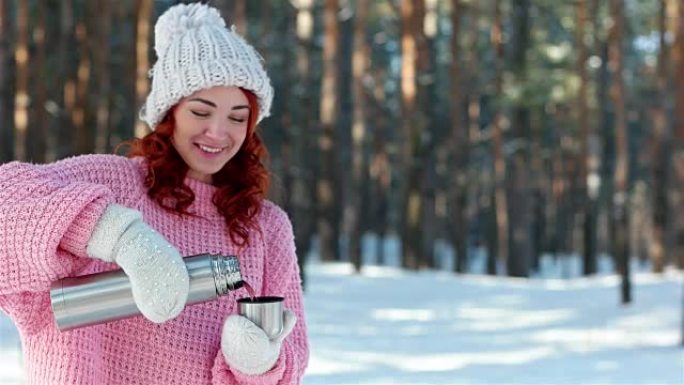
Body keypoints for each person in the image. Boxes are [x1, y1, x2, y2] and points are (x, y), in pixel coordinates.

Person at [0, 3, 308, 384]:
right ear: (170, 112)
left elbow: (291, 361)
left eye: (237, 117)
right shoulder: (110, 184)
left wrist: (259, 363)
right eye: (201, 111)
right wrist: (120, 237)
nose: (218, 131)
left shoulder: (266, 226)